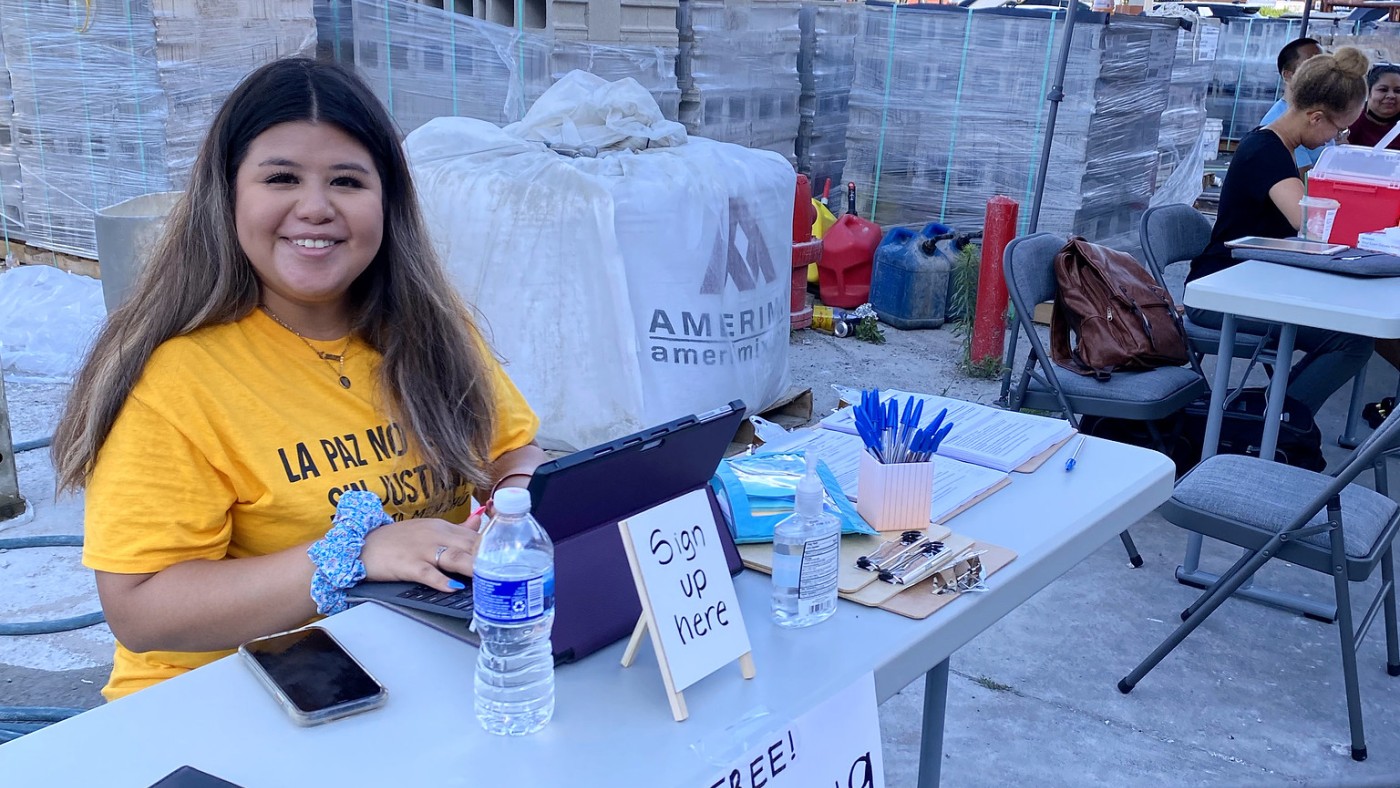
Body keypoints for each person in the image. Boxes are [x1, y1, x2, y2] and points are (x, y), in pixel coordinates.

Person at [51, 58, 547, 700]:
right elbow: (141, 610)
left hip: (409, 661)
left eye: (347, 181)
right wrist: (355, 556)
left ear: (388, 202)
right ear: (228, 195)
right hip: (217, 699)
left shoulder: (433, 333)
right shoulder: (174, 379)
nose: (315, 208)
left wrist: (521, 498)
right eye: (281, 178)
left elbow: (510, 452)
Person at [1187, 47, 1374, 419]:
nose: (1337, 139)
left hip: (1246, 282)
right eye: (1338, 130)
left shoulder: (1279, 147)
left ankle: (1277, 413)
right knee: (1351, 341)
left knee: (1350, 332)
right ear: (1316, 117)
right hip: (1219, 293)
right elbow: (1310, 225)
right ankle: (1280, 421)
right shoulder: (1266, 153)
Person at [1259, 37, 1329, 173]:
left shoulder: (1319, 114)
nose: (1322, 73)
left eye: (1324, 66)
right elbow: (1304, 179)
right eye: (1311, 67)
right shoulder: (1279, 122)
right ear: (1288, 75)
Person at [1342, 63, 1400, 149]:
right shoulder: (1347, 122)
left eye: (1398, 91)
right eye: (1383, 90)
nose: (1391, 96)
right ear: (1368, 92)